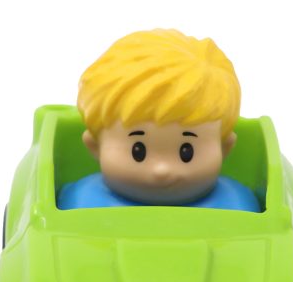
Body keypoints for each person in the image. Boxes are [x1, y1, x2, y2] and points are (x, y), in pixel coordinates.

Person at [58, 29, 260, 212]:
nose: (161, 170)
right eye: (138, 151)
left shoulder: (237, 208)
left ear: (224, 148)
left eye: (186, 152)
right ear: (95, 146)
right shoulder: (80, 205)